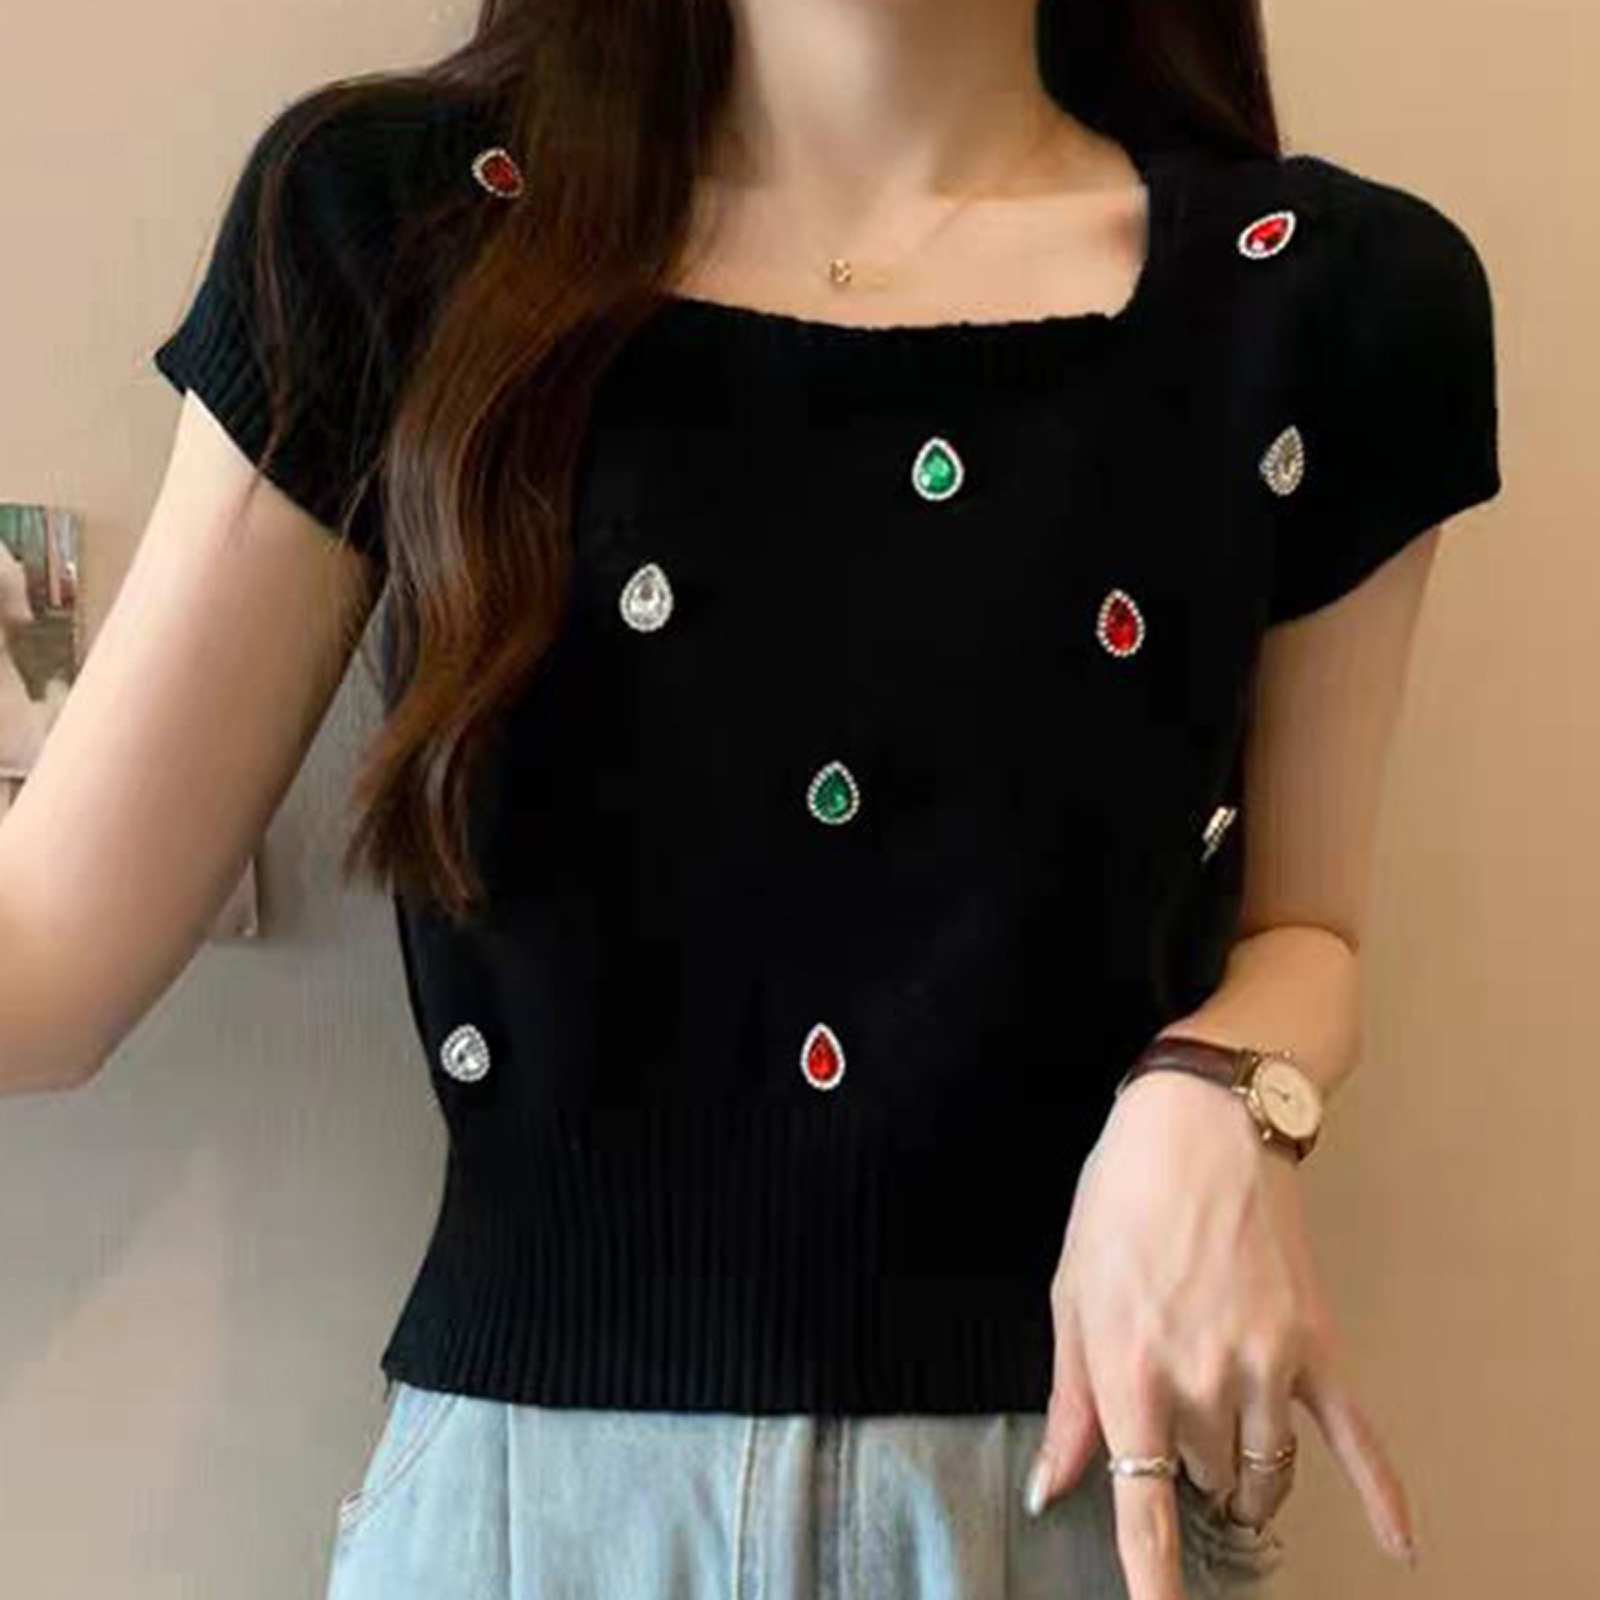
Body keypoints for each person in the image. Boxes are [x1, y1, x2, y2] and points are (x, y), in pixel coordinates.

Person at [0, 1, 1500, 1596]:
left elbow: (1310, 936)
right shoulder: (392, 231)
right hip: (529, 1531)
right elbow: (51, 959)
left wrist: (1218, 1091)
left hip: (1056, 1504)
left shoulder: (1314, 303)